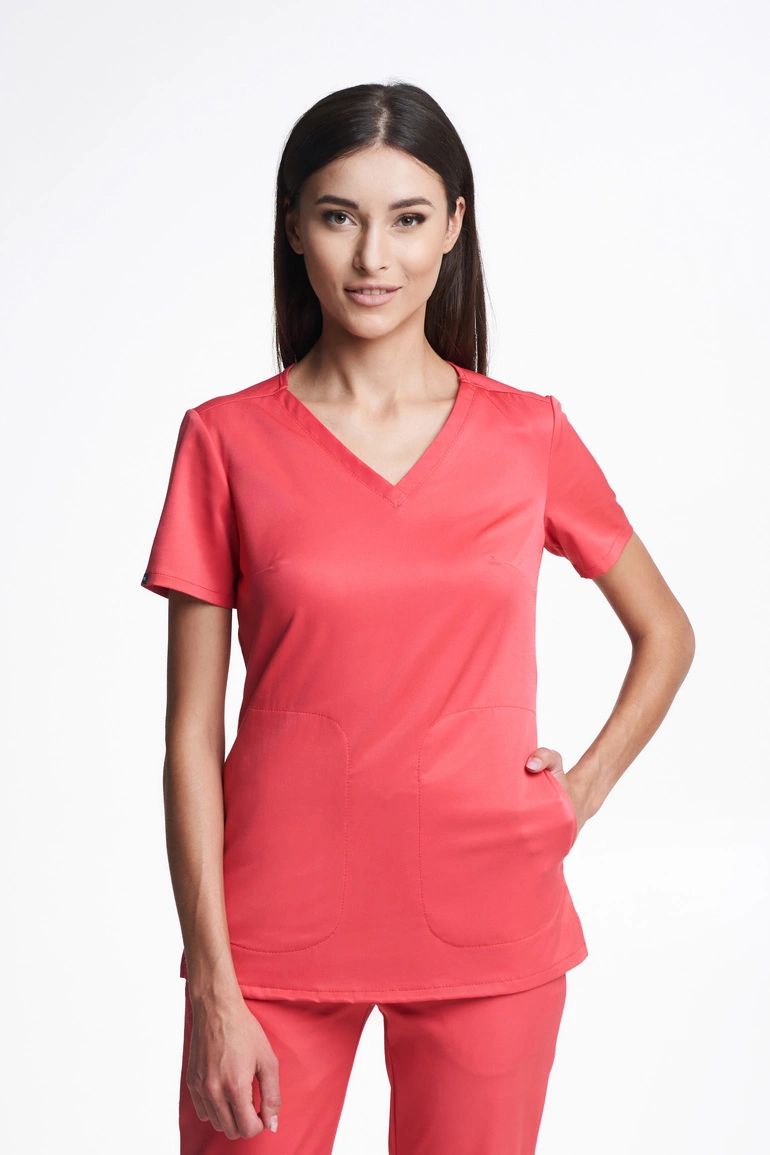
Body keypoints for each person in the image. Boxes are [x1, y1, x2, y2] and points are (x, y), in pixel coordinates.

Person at [140, 81, 695, 1155]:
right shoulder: (225, 442)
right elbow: (187, 739)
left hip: (491, 919)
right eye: (338, 216)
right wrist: (212, 979)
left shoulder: (527, 436)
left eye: (406, 218)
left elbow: (665, 633)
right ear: (293, 228)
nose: (372, 257)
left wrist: (578, 793)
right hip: (268, 932)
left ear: (452, 226)